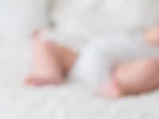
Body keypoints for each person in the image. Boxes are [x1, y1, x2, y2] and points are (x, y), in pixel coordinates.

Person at [24, 26, 159, 98]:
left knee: (152, 69)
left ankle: (110, 88)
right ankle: (48, 74)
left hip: (115, 73)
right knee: (44, 45)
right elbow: (150, 35)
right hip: (80, 59)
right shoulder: (146, 36)